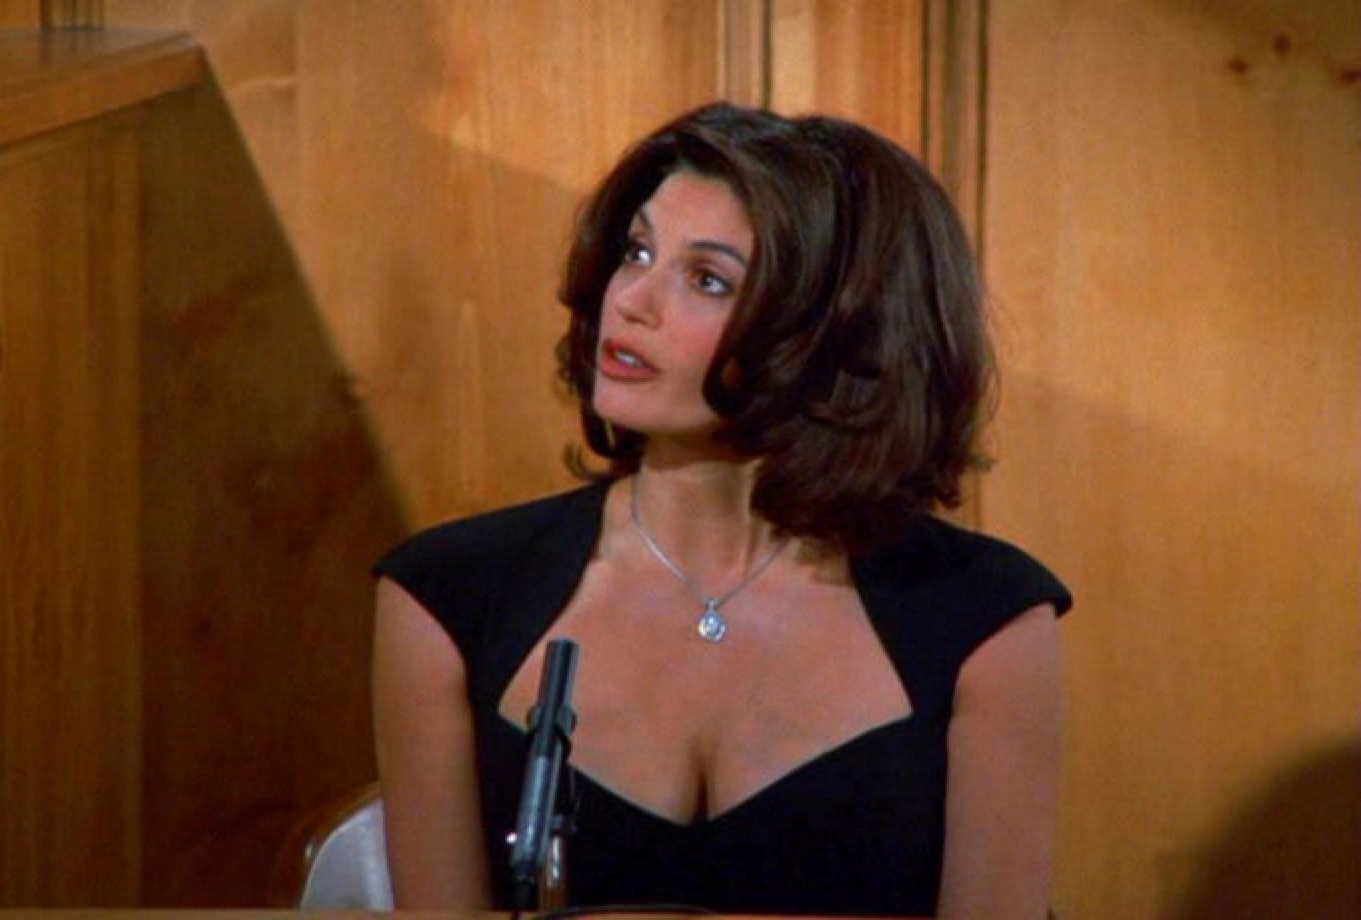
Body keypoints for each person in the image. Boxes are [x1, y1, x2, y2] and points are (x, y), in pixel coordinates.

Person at [371, 102, 1072, 919]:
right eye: (637, 251)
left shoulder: (986, 621)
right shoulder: (448, 599)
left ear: (837, 336)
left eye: (706, 280)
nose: (632, 301)